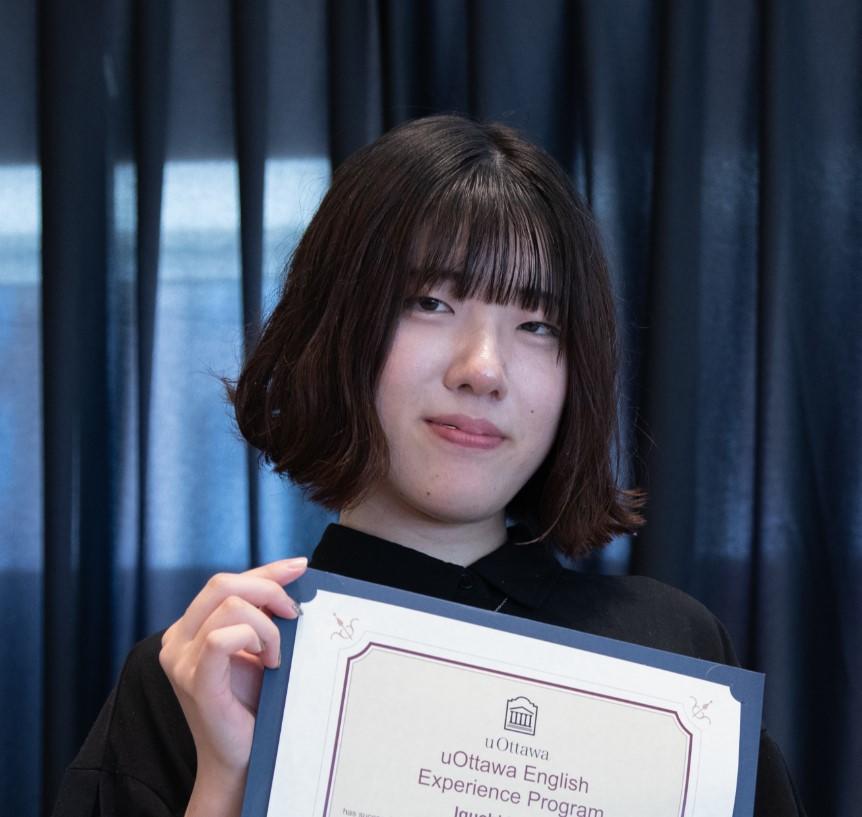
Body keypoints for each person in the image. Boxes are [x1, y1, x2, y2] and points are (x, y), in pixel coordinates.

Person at [52, 115, 806, 816]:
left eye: (537, 324)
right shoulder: (209, 671)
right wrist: (226, 785)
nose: (483, 369)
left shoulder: (673, 655)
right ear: (336, 322)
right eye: (430, 303)